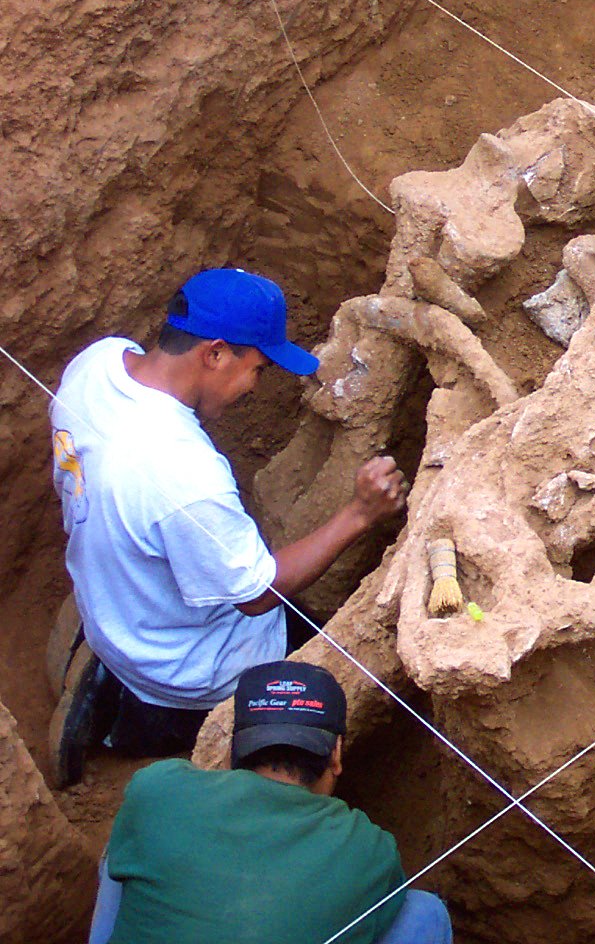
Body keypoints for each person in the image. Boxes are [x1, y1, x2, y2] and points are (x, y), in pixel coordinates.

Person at [47, 268, 408, 786]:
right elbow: (257, 595)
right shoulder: (185, 472)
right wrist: (360, 514)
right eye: (257, 369)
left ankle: (109, 678)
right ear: (215, 353)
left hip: (115, 605)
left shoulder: (98, 362)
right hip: (187, 669)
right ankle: (125, 728)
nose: (254, 389)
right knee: (336, 687)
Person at [87, 660, 452, 944]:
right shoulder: (370, 848)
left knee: (125, 852)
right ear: (336, 754)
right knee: (423, 911)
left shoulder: (157, 791)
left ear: (234, 750)